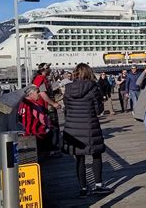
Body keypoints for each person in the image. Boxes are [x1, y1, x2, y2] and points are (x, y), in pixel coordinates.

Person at [62, 63, 113, 198]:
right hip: (90, 126)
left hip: (72, 128)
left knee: (79, 158)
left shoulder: (67, 89)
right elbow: (98, 110)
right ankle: (98, 185)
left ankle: (83, 188)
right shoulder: (93, 88)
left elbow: (66, 109)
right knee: (96, 154)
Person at [33, 63, 61, 156]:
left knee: (52, 126)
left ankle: (52, 148)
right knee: (53, 126)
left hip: (46, 106)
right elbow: (42, 93)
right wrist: (53, 103)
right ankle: (52, 149)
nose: (50, 69)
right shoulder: (40, 78)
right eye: (48, 68)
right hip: (46, 107)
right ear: (43, 69)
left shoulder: (44, 79)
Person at [17, 85, 53, 155]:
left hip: (27, 130)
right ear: (30, 94)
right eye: (37, 92)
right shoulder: (32, 105)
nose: (39, 94)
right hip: (33, 132)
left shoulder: (24, 103)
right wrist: (48, 125)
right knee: (49, 130)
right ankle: (47, 152)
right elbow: (41, 119)